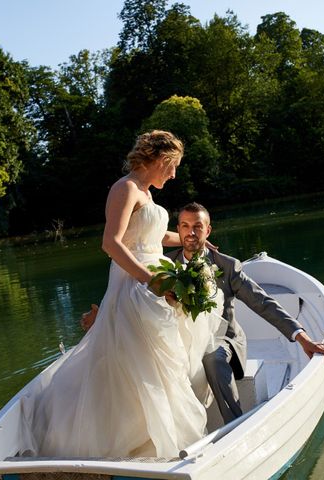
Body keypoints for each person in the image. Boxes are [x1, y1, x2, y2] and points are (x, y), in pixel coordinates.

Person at [21, 131, 221, 459]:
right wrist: (149, 281)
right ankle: (117, 440)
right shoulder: (124, 188)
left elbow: (154, 236)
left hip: (152, 288)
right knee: (138, 363)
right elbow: (111, 243)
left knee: (159, 365)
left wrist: (191, 240)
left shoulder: (145, 193)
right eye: (172, 167)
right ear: (158, 159)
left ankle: (154, 436)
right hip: (134, 288)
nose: (174, 174)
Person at [82, 202, 324, 424]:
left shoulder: (226, 265)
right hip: (179, 339)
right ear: (177, 231)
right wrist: (103, 317)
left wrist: (302, 338)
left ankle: (236, 425)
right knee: (148, 357)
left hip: (223, 339)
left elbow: (262, 302)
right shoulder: (163, 266)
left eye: (197, 227)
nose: (191, 233)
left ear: (208, 230)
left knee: (212, 357)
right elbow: (134, 297)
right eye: (185, 226)